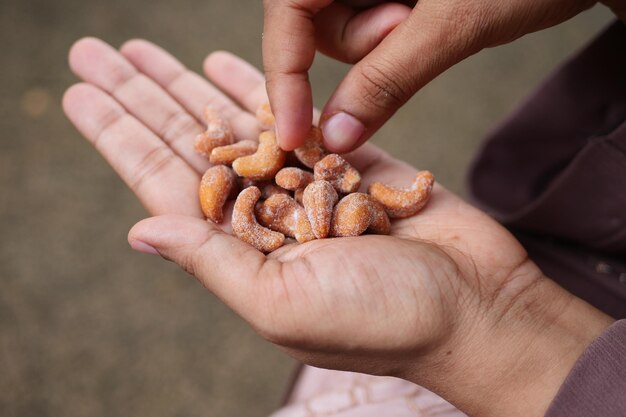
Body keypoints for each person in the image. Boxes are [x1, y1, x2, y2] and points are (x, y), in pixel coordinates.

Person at [62, 7, 625, 416]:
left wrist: (482, 320)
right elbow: (281, 179)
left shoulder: (328, 191)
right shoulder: (284, 180)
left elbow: (327, 190)